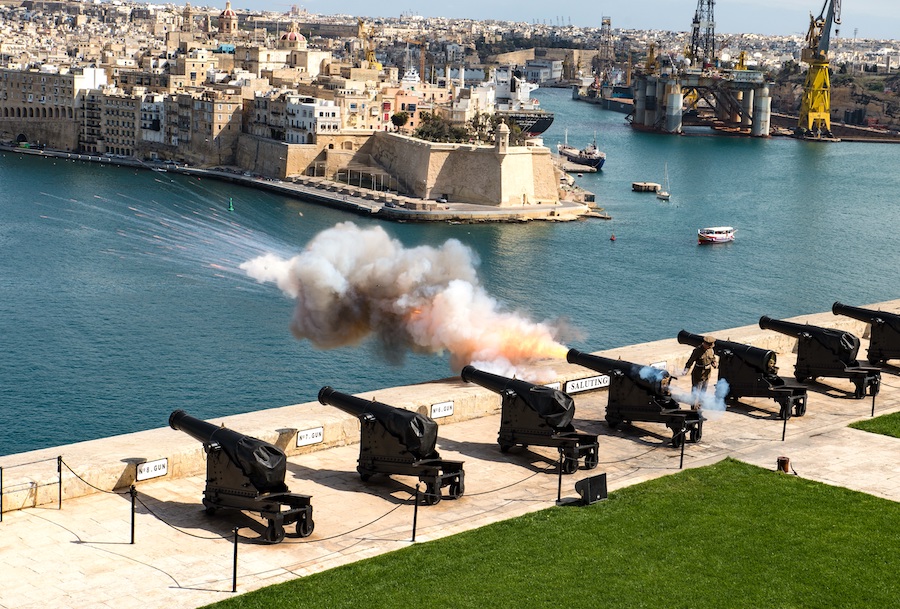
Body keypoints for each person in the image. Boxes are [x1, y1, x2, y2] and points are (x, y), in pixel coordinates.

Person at [682, 335, 718, 408]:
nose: (710, 347)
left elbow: (713, 358)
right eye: (709, 345)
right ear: (705, 343)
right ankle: (694, 407)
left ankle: (700, 405)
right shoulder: (697, 351)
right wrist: (686, 370)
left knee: (703, 392)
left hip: (707, 374)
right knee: (696, 392)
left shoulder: (710, 350)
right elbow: (690, 361)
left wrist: (714, 363)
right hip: (698, 374)